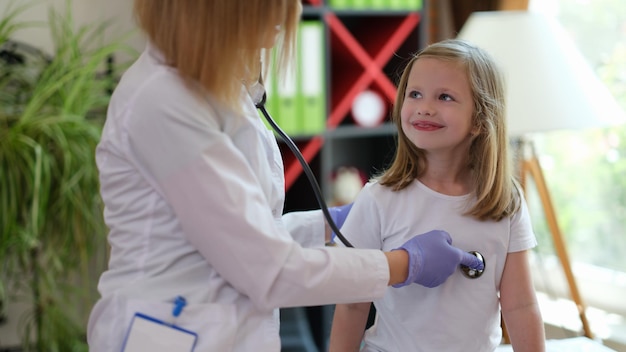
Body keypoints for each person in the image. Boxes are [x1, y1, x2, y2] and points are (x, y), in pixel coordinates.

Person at [86, 2, 484, 351]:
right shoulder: (164, 102)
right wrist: (404, 264)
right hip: (172, 331)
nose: (284, 16)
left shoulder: (218, 91)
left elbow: (240, 234)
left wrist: (330, 223)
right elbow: (267, 268)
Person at [328, 39, 546, 352]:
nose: (424, 107)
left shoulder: (505, 202)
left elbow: (520, 306)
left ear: (480, 120)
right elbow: (351, 305)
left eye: (444, 96)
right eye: (414, 94)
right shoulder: (379, 198)